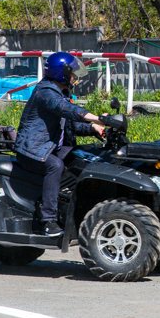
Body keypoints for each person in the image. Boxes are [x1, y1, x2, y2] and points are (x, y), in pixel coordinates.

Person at [14, 52, 105, 235]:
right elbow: (66, 110)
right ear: (60, 73)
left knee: (87, 158)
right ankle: (48, 221)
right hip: (33, 149)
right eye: (71, 73)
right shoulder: (46, 92)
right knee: (55, 166)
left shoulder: (61, 92)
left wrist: (94, 129)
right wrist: (98, 118)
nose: (74, 78)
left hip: (50, 147)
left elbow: (71, 125)